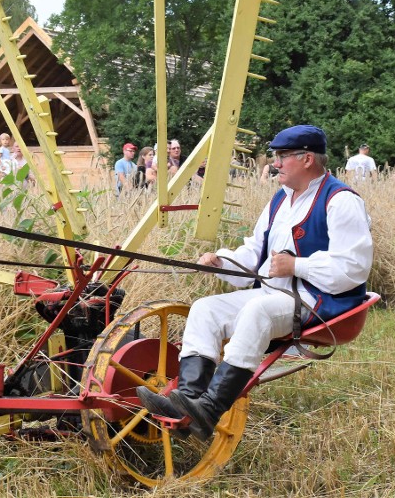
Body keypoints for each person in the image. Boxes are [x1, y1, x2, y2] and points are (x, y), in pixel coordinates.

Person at [137, 125, 373, 441]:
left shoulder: (341, 200)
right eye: (276, 156)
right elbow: (254, 254)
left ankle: (210, 408)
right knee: (205, 309)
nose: (275, 163)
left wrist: (296, 265)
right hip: (274, 295)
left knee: (258, 311)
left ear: (306, 159)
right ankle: (187, 402)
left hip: (316, 301)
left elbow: (355, 266)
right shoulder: (279, 200)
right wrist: (222, 261)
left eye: (282, 156)